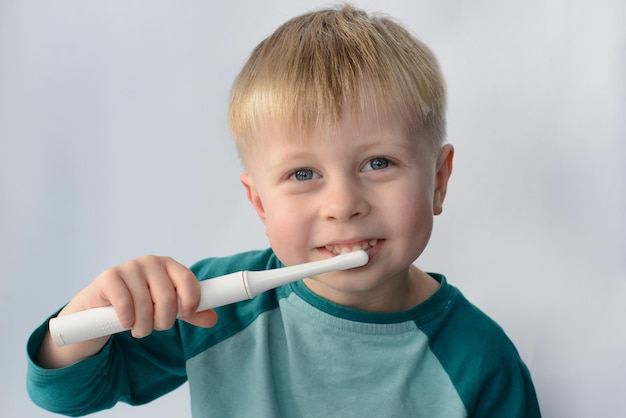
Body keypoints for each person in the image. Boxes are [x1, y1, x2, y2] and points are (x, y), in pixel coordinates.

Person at [26, 4, 541, 417]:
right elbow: (65, 394)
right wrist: (88, 314)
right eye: (302, 174)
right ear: (259, 203)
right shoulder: (212, 309)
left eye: (378, 162)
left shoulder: (481, 359)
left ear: (438, 180)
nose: (343, 205)